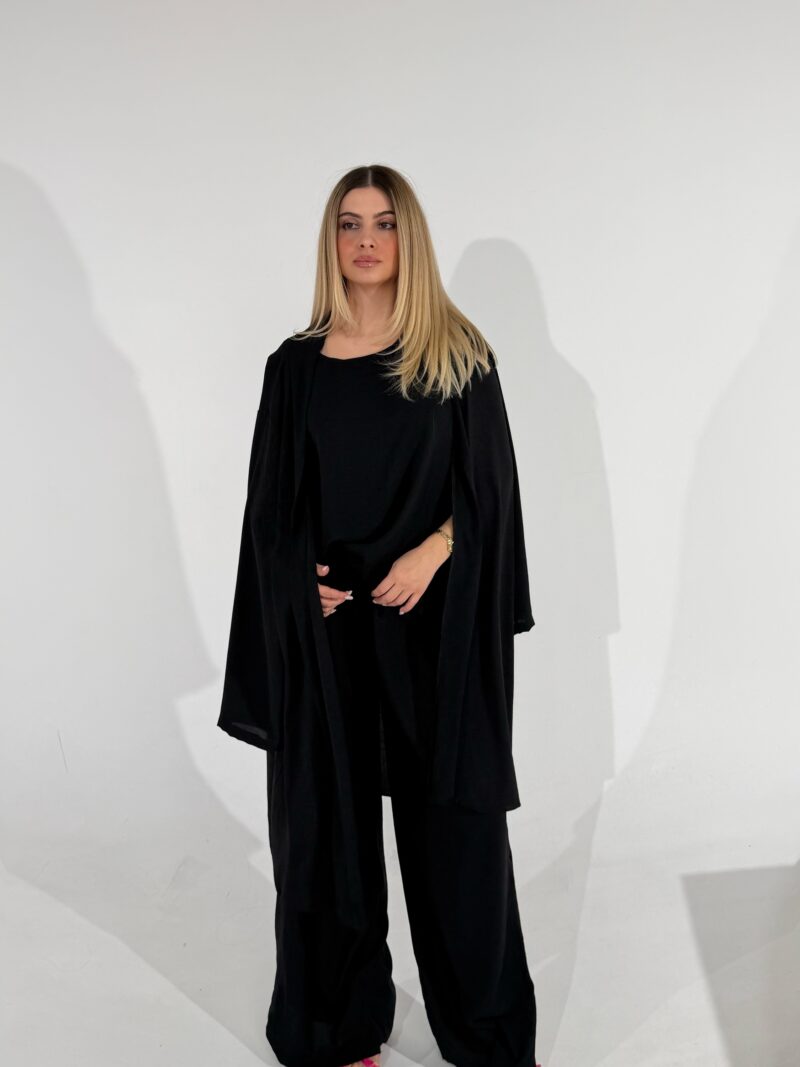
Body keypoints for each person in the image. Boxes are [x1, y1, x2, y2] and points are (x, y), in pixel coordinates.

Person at [218, 164, 541, 1067]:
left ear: (410, 238)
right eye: (351, 223)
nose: (367, 240)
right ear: (331, 240)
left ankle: (486, 1037)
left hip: (436, 636)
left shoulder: (457, 353)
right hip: (331, 640)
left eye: (386, 223)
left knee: (458, 840)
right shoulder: (294, 368)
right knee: (328, 839)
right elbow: (270, 510)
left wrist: (434, 549)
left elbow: (494, 497)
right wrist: (295, 580)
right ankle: (338, 1026)